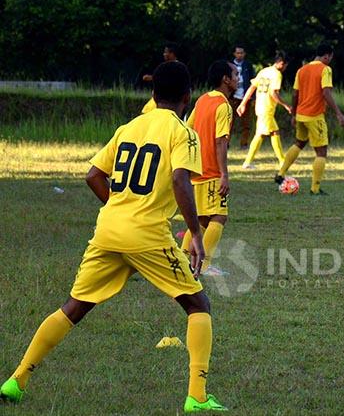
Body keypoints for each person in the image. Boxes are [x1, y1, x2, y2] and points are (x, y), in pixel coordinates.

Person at [0, 61, 228, 412]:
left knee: (74, 307)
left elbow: (94, 175)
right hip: (148, 235)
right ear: (187, 97)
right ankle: (197, 397)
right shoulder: (183, 132)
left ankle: (16, 380)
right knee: (198, 305)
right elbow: (181, 180)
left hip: (108, 230)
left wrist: (120, 205)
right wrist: (195, 232)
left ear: (153, 94)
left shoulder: (129, 127)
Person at [180, 61, 238, 276]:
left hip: (197, 171)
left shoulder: (203, 99)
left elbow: (188, 130)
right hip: (213, 172)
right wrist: (224, 174)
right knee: (218, 217)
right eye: (235, 74)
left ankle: (183, 261)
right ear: (226, 79)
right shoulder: (223, 105)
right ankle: (204, 265)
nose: (238, 79)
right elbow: (220, 142)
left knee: (202, 219)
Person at [274, 43, 344, 195]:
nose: (330, 61)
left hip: (301, 114)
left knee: (299, 143)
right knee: (321, 152)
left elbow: (295, 94)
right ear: (326, 55)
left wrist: (294, 114)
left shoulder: (302, 70)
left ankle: (281, 173)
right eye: (330, 57)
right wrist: (339, 113)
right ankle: (315, 188)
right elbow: (326, 92)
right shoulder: (325, 69)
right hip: (314, 116)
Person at [238, 51, 292, 169]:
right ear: (282, 63)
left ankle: (248, 162)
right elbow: (273, 93)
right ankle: (282, 161)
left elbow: (252, 87)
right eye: (286, 66)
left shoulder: (264, 71)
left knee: (263, 134)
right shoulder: (277, 74)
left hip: (260, 106)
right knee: (271, 132)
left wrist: (243, 103)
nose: (285, 68)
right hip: (266, 108)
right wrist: (286, 105)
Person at [142, 42, 179, 114]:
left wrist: (152, 78)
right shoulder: (165, 66)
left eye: (166, 52)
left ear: (172, 54)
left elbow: (169, 79)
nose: (164, 54)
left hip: (168, 101)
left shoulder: (177, 67)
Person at [229, 45, 254, 149]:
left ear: (244, 54)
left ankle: (244, 143)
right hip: (233, 97)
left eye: (241, 53)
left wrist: (253, 97)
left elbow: (253, 81)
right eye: (238, 53)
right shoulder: (230, 65)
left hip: (245, 97)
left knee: (246, 123)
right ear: (234, 54)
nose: (240, 55)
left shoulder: (248, 65)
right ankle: (226, 143)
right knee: (229, 122)